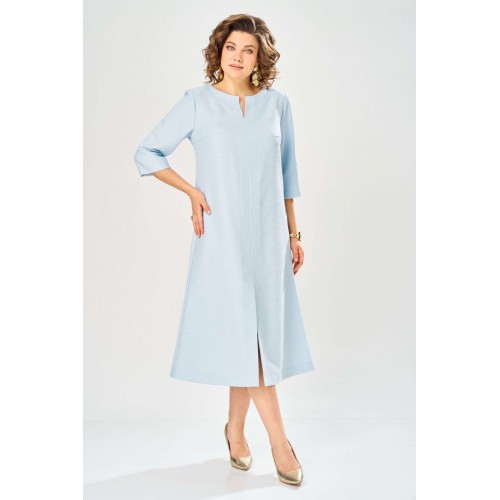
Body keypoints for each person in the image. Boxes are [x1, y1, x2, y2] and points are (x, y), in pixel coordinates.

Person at [133, 14, 314, 486]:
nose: (237, 56)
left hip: (270, 238)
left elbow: (288, 174)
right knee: (247, 338)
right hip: (222, 240)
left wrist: (294, 235)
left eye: (248, 50)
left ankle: (235, 430)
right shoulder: (197, 102)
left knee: (253, 338)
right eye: (231, 47)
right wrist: (192, 192)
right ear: (219, 50)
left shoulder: (277, 105)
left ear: (260, 58)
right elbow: (147, 153)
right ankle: (280, 442)